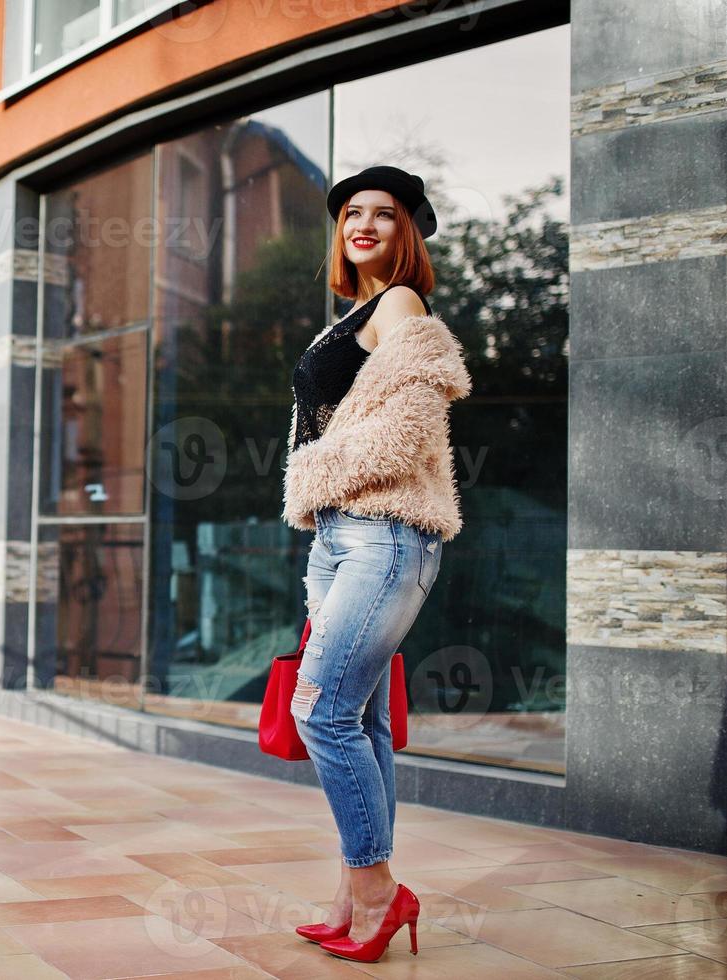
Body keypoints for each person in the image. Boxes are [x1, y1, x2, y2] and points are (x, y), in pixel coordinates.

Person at [279, 165, 473, 963]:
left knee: (318, 710)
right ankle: (349, 896)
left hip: (382, 533)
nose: (361, 224)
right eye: (350, 214)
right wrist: (317, 492)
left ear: (407, 231)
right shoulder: (352, 313)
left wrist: (319, 474)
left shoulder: (398, 303)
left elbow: (420, 402)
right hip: (339, 535)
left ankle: (377, 891)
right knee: (359, 719)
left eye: (382, 215)